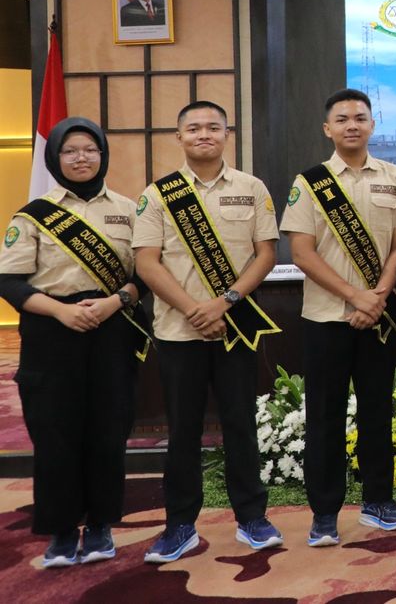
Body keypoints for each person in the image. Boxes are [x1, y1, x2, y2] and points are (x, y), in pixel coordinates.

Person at [134, 101, 283, 563]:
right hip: (179, 334)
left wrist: (225, 303)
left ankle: (252, 518)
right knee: (183, 431)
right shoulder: (158, 194)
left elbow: (265, 254)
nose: (204, 134)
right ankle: (179, 525)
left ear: (226, 134)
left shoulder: (252, 188)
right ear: (178, 137)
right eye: (193, 128)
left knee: (241, 424)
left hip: (235, 329)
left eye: (213, 127)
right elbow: (145, 261)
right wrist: (195, 309)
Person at [0, 118, 143, 568]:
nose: (81, 157)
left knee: (108, 430)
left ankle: (101, 526)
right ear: (55, 158)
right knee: (56, 432)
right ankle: (61, 531)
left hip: (111, 328)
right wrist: (62, 311)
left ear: (103, 155)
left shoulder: (129, 209)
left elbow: (145, 274)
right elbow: (8, 280)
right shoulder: (32, 214)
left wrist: (115, 302)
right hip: (51, 331)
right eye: (70, 151)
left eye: (90, 149)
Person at [281, 87, 396, 547]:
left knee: (378, 411)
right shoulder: (309, 183)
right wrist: (355, 298)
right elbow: (301, 252)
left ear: (372, 124)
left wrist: (376, 297)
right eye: (342, 119)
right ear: (328, 128)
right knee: (324, 415)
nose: (352, 125)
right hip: (325, 318)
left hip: (378, 315)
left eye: (360, 117)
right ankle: (324, 513)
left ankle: (379, 502)